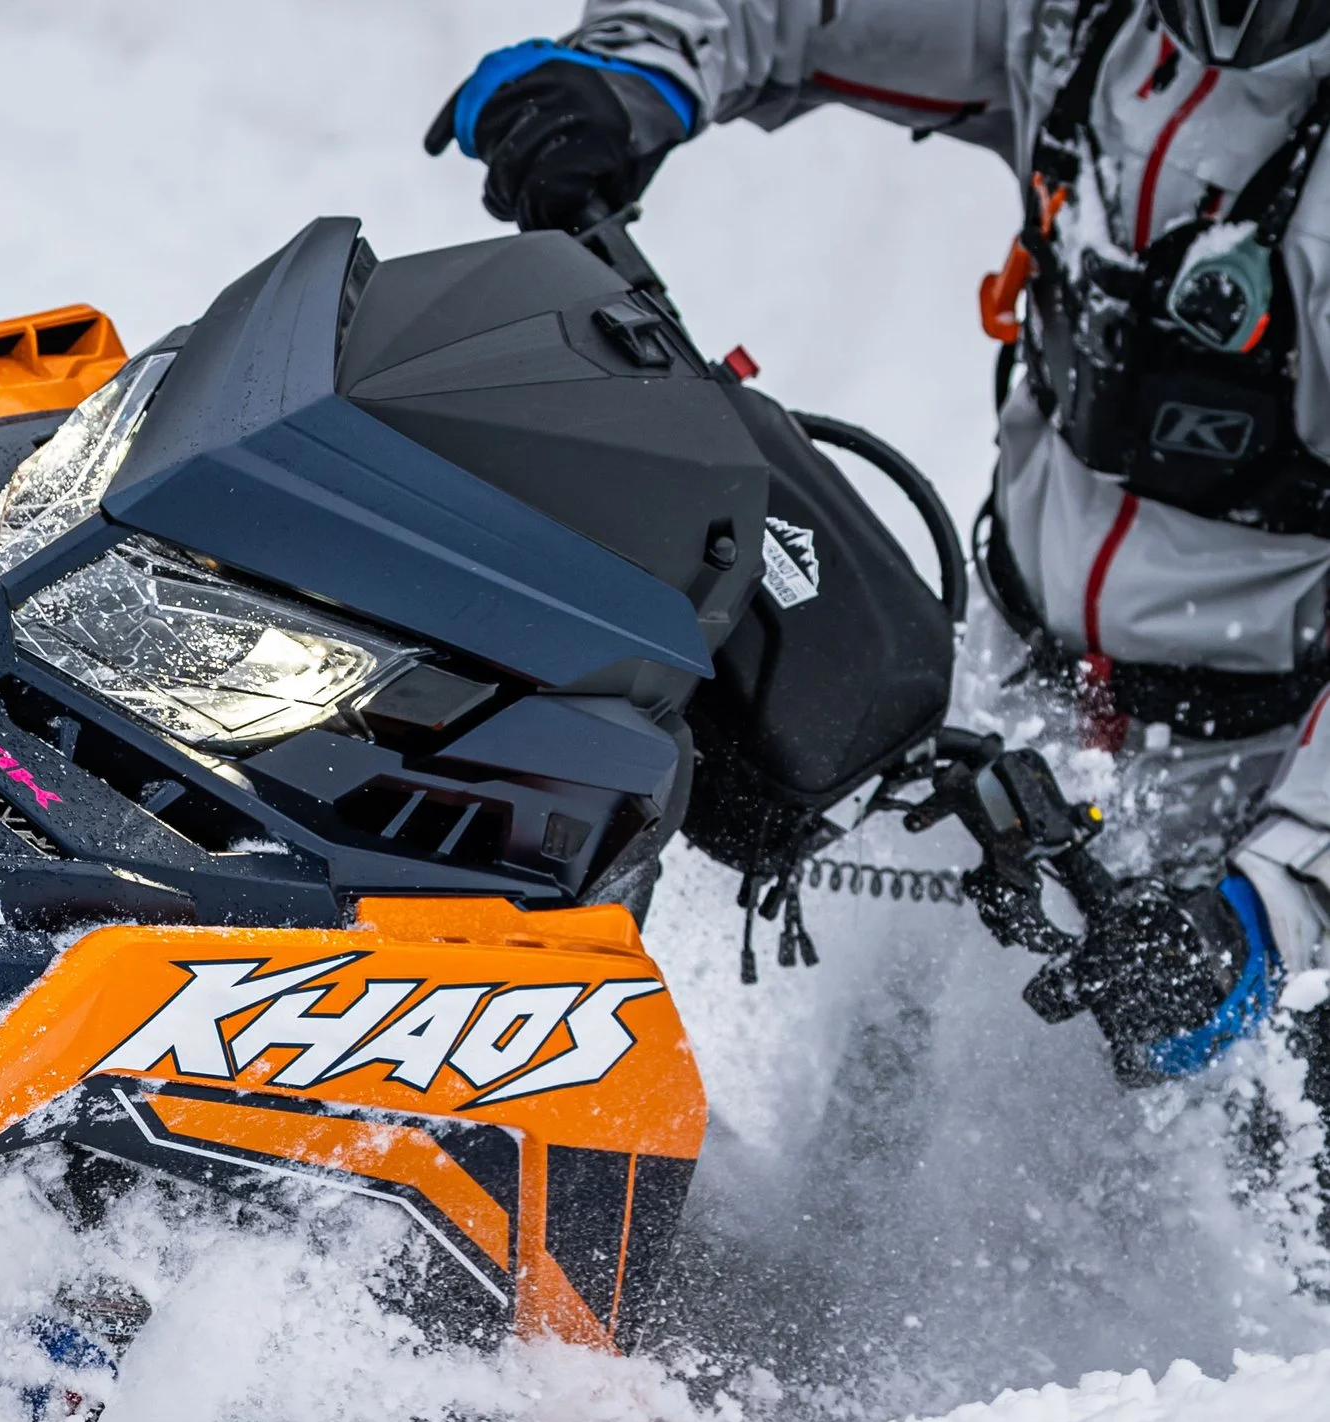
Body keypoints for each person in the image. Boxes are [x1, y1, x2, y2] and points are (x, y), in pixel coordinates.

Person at [431, 0, 1330, 1088]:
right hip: (1009, 714)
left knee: (1229, 1216)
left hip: (1262, 779)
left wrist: (1281, 895)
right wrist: (625, 71)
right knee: (879, 1127)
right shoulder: (1084, 23)